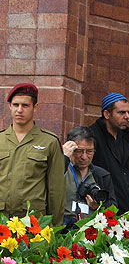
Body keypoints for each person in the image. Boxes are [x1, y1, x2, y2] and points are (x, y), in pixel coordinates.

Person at [0, 83, 64, 226]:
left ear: (35, 107)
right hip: (2, 221)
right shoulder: (1, 140)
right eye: (15, 105)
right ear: (9, 106)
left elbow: (56, 190)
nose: (19, 110)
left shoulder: (49, 142)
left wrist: (55, 229)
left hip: (34, 223)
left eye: (25, 105)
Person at [90, 92, 129, 231]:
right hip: (107, 217)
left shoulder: (127, 138)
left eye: (128, 112)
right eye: (122, 112)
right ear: (107, 114)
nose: (127, 116)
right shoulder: (92, 137)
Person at [62, 126, 117, 228]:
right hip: (63, 228)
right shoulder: (62, 170)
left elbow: (114, 206)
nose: (84, 156)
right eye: (79, 151)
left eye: (89, 151)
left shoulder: (102, 175)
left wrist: (99, 206)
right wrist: (63, 157)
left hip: (91, 232)